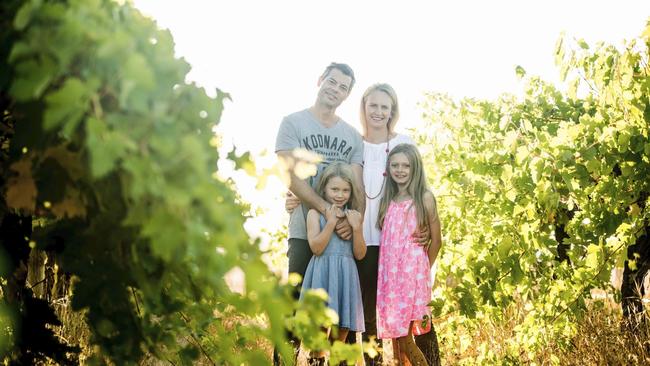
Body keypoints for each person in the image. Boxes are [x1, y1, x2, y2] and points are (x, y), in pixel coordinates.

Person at [287, 83, 440, 364]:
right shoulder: (353, 143)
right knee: (367, 314)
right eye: (373, 106)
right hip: (360, 238)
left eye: (385, 106)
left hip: (400, 245)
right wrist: (293, 197)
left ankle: (429, 360)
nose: (378, 112)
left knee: (413, 317)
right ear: (364, 109)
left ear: (393, 110)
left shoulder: (404, 142)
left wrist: (426, 228)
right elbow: (332, 179)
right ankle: (369, 361)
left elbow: (420, 189)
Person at [275, 62, 364, 363]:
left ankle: (322, 358)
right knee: (295, 303)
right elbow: (289, 174)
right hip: (305, 230)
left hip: (340, 240)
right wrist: (326, 209)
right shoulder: (293, 123)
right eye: (332, 81)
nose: (335, 89)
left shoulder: (352, 136)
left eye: (343, 87)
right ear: (320, 80)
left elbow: (357, 186)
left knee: (337, 311)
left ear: (347, 95)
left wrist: (351, 225)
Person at [376, 143, 442, 366]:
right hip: (390, 281)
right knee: (396, 340)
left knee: (406, 338)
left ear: (415, 168)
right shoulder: (388, 201)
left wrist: (422, 269)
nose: (400, 170)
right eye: (395, 165)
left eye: (406, 165)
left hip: (412, 277)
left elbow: (437, 241)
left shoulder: (424, 198)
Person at [299, 162, 367, 364]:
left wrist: (356, 228)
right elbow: (316, 248)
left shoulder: (353, 216)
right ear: (324, 188)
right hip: (322, 275)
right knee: (319, 331)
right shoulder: (314, 214)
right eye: (334, 189)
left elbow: (360, 254)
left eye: (345, 190)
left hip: (345, 275)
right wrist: (330, 221)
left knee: (341, 331)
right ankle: (316, 359)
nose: (340, 194)